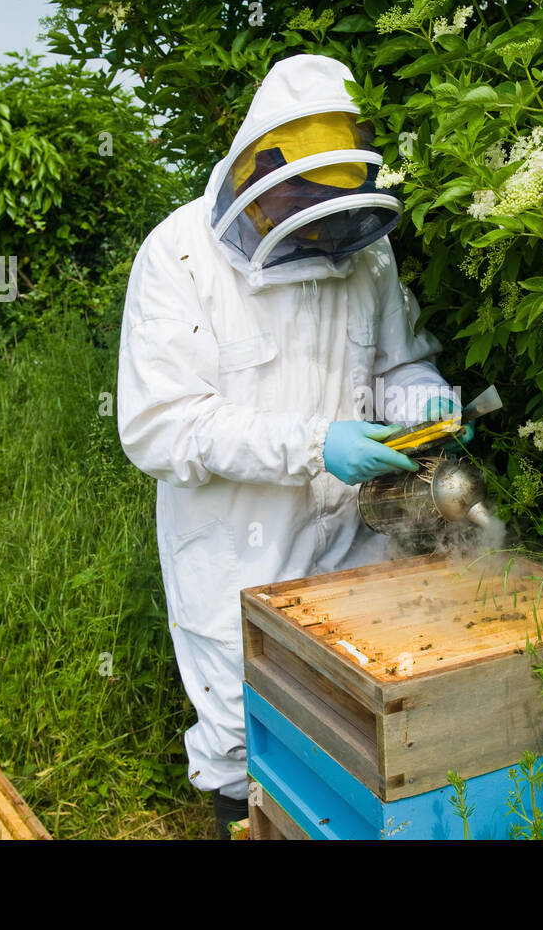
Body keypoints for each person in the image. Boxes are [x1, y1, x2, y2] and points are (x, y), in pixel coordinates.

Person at [116, 54, 470, 839]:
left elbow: (399, 361)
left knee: (352, 719)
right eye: (302, 197)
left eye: (330, 202)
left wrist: (427, 404)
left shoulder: (362, 249)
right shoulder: (179, 257)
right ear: (260, 171)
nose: (319, 222)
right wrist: (314, 443)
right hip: (234, 554)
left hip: (353, 538)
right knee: (241, 732)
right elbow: (159, 424)